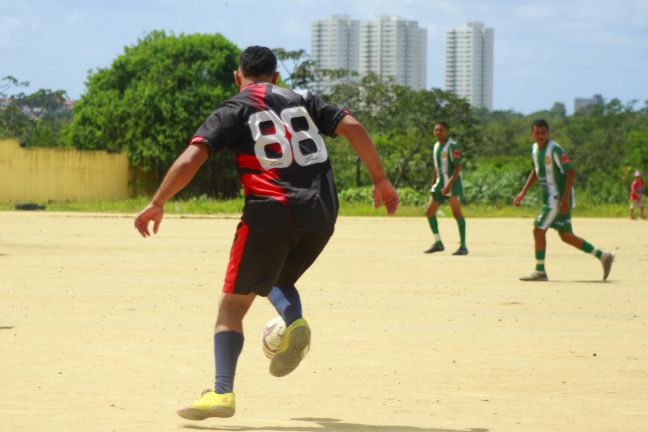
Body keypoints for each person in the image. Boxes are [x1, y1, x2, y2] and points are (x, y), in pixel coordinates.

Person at [134, 46, 399, 420]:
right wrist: (381, 179)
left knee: (232, 305)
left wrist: (158, 200)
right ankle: (294, 321)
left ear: (237, 76)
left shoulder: (234, 107)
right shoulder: (303, 98)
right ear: (276, 77)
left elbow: (195, 155)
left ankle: (222, 393)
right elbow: (352, 126)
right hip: (322, 212)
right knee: (275, 279)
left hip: (270, 212)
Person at [514, 119, 614, 281]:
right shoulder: (534, 149)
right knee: (566, 235)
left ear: (548, 133)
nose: (540, 135)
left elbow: (571, 172)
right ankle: (604, 256)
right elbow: (536, 170)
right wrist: (523, 192)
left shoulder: (555, 149)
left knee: (538, 229)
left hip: (557, 198)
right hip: (550, 197)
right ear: (531, 134)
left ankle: (540, 270)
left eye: (543, 132)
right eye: (537, 132)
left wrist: (565, 199)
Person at [423, 121, 468, 255]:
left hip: (452, 185)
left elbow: (458, 167)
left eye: (441, 130)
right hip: (439, 185)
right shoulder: (436, 146)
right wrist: (433, 184)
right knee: (429, 212)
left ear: (447, 131)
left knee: (456, 214)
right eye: (436, 130)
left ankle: (463, 246)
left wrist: (449, 186)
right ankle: (438, 243)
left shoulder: (453, 146)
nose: (438, 132)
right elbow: (436, 167)